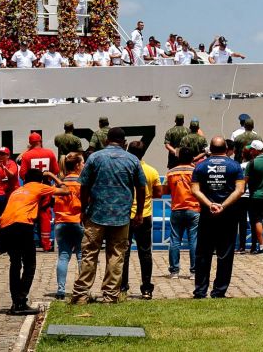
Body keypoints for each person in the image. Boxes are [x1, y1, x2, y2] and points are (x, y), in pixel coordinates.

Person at [70, 128, 146, 304]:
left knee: (89, 254)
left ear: (106, 141)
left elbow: (84, 185)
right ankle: (110, 295)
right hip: (121, 216)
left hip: (96, 214)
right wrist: (139, 212)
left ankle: (81, 294)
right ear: (124, 142)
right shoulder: (132, 159)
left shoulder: (95, 158)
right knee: (116, 254)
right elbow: (141, 188)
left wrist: (83, 209)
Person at [0, 168, 70, 314]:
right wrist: (52, 176)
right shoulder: (38, 186)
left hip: (5, 225)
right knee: (30, 265)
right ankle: (21, 301)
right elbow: (65, 190)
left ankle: (16, 302)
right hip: (22, 225)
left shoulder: (18, 190)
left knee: (15, 264)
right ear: (40, 180)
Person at [190, 136, 245, 298]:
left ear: (210, 149)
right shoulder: (235, 166)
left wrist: (210, 204)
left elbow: (195, 190)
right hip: (228, 215)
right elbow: (240, 190)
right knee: (225, 254)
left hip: (207, 214)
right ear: (226, 147)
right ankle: (219, 290)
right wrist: (223, 205)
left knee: (203, 253)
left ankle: (200, 290)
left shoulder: (200, 167)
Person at [122, 141, 162, 298]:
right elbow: (158, 193)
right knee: (145, 252)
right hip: (144, 215)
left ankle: (122, 286)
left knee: (124, 253)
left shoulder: (124, 169)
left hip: (126, 215)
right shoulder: (151, 171)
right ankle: (146, 288)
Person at [18, 132, 60, 251]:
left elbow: (22, 175)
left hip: (31, 189)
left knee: (29, 215)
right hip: (45, 188)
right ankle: (46, 244)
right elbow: (55, 170)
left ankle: (29, 243)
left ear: (30, 143)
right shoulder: (50, 153)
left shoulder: (27, 155)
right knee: (45, 215)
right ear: (40, 141)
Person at [164, 146, 200, 279]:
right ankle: (194, 271)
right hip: (194, 208)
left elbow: (165, 191)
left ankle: (174, 271)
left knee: (174, 240)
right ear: (192, 157)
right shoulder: (196, 171)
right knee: (194, 240)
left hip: (177, 208)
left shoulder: (171, 172)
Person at [53, 152, 84, 300]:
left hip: (60, 222)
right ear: (77, 165)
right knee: (81, 255)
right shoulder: (81, 183)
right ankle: (82, 289)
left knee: (63, 256)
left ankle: (60, 291)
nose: (83, 165)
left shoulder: (60, 182)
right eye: (82, 163)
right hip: (77, 221)